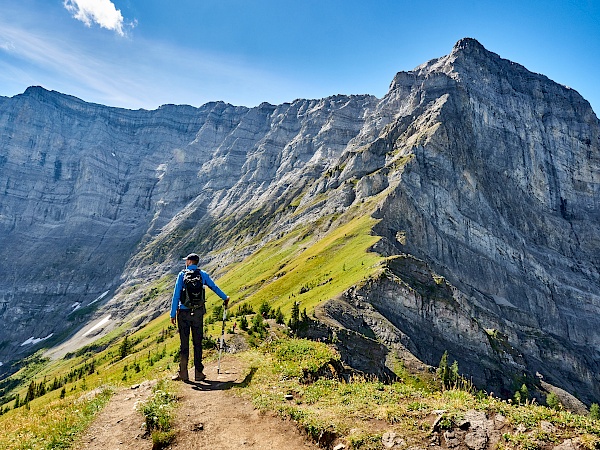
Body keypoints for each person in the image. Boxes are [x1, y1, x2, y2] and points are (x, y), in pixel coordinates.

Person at [170, 253, 229, 382]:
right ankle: (198, 373)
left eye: (187, 260)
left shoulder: (182, 275)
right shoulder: (203, 274)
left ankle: (183, 373)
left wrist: (172, 314)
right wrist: (225, 297)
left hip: (183, 314)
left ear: (190, 262)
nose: (186, 262)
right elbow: (214, 287)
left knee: (184, 344)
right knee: (197, 343)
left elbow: (175, 295)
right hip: (197, 313)